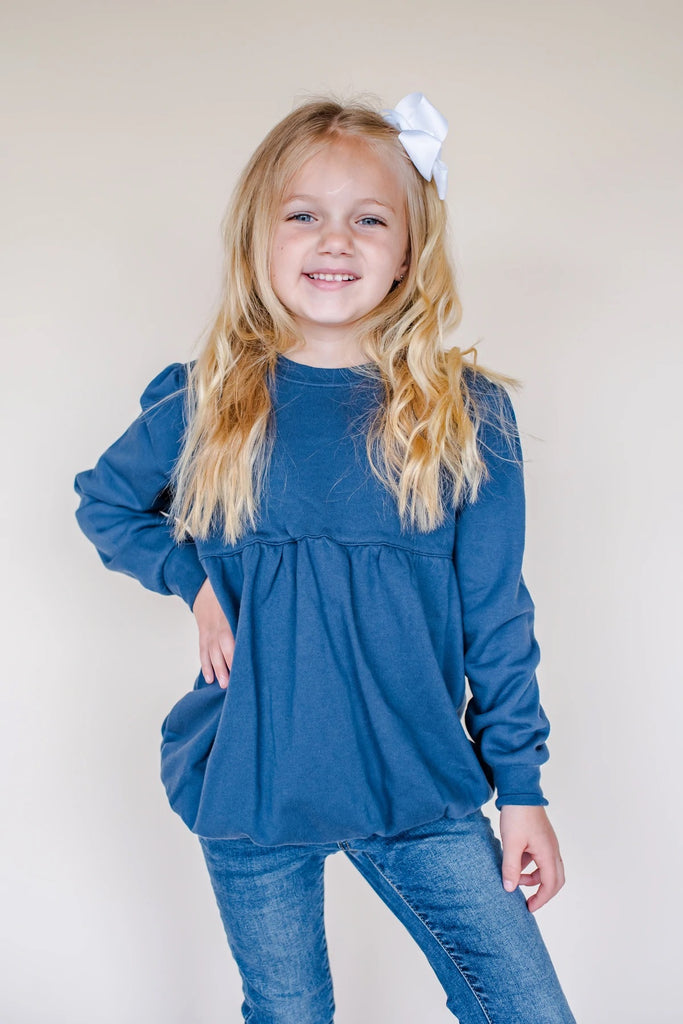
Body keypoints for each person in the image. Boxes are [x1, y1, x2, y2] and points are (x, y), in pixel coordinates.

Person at [74, 93, 576, 1023]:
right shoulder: (208, 402)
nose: (334, 240)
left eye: (369, 219)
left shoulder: (467, 417)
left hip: (417, 781)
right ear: (258, 240)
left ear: (409, 252)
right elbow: (106, 502)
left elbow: (497, 617)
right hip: (251, 775)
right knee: (288, 1012)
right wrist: (195, 584)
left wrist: (521, 791)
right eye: (302, 215)